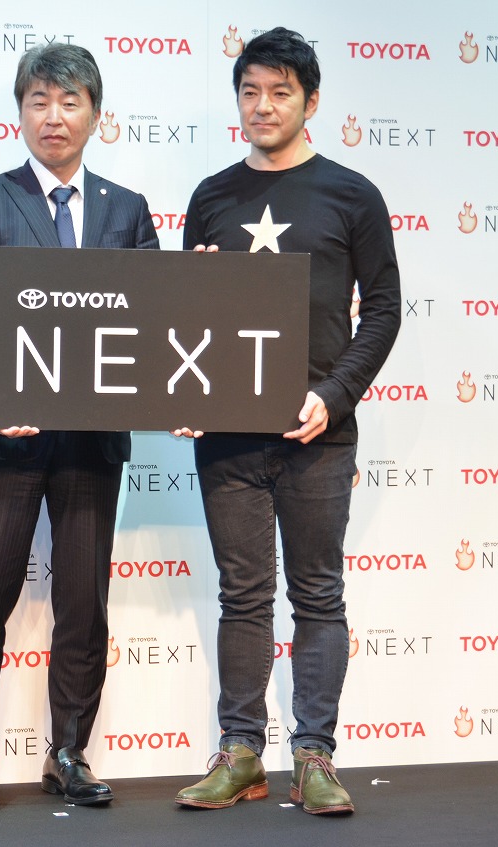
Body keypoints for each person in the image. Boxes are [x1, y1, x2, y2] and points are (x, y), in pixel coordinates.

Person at [172, 27, 401, 816]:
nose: (262, 106)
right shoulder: (211, 196)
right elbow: (186, 319)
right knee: (242, 595)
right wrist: (184, 395)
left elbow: (384, 309)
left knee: (318, 595)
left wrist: (333, 394)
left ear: (311, 101)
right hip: (228, 438)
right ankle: (240, 752)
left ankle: (314, 756)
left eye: (280, 92)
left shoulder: (351, 194)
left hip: (318, 435)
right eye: (250, 92)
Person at [0, 43, 158, 812]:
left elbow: (150, 320)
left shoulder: (128, 209)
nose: (53, 116)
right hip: (8, 438)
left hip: (92, 441)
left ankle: (69, 750)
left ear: (96, 114)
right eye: (38, 101)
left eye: (69, 102)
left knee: (84, 604)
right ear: (20, 113)